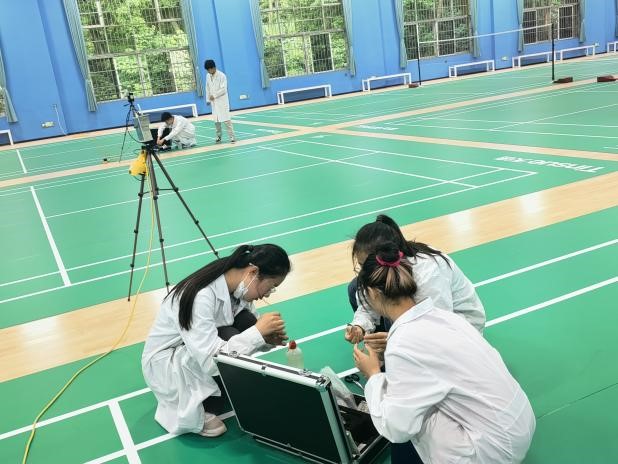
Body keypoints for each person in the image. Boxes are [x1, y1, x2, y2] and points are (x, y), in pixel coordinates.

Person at [353, 242, 536, 464]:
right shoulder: (445, 316)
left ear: (373, 293)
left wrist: (373, 375)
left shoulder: (402, 342)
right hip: (520, 423)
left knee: (408, 420)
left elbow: (397, 428)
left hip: (493, 450)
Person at [142, 244, 291, 438]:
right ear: (253, 272)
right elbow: (210, 360)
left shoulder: (238, 288)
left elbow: (249, 330)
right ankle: (197, 407)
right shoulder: (200, 296)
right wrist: (257, 333)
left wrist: (266, 339)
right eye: (271, 286)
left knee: (245, 320)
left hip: (195, 351)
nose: (267, 294)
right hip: (168, 366)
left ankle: (221, 388)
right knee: (231, 332)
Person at [345, 214, 485, 353]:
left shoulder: (427, 275)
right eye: (361, 265)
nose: (364, 271)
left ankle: (393, 351)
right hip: (423, 325)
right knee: (355, 287)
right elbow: (367, 302)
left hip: (459, 330)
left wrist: (396, 340)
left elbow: (439, 327)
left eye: (366, 265)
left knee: (392, 309)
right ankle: (382, 345)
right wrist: (360, 326)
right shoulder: (380, 268)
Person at [205, 59, 235, 144]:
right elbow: (207, 87)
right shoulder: (208, 76)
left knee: (226, 120)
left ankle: (232, 137)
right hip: (214, 102)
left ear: (214, 67)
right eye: (207, 70)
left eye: (209, 69)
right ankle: (218, 136)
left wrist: (214, 96)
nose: (208, 71)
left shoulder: (222, 76)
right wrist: (207, 99)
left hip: (222, 101)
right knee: (216, 121)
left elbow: (224, 89)